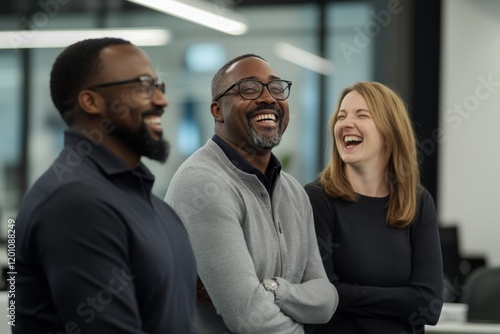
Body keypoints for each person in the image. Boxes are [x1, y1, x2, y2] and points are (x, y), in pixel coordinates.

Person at [14, 38, 197, 333]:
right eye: (142, 86)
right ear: (91, 101)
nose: (161, 101)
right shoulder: (74, 203)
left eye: (158, 87)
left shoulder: (155, 207)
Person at [165, 54, 338, 333]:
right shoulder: (201, 183)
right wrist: (289, 301)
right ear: (217, 111)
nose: (268, 98)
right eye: (249, 89)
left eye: (276, 88)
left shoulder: (293, 191)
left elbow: (326, 300)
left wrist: (270, 289)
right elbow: (251, 319)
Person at [304, 81, 444, 334]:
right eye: (341, 116)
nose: (346, 123)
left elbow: (429, 305)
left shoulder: (418, 202)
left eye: (362, 115)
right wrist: (402, 299)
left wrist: (347, 294)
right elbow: (323, 295)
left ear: (389, 133)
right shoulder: (317, 198)